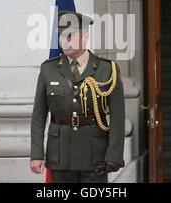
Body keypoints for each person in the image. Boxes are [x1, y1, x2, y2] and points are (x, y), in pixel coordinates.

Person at [30, 10, 125, 183]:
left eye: (70, 35)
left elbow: (118, 116)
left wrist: (115, 154)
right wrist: (36, 153)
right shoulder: (48, 69)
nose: (64, 41)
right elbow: (38, 116)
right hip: (60, 156)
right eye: (61, 36)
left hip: (95, 156)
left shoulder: (107, 69)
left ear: (85, 37)